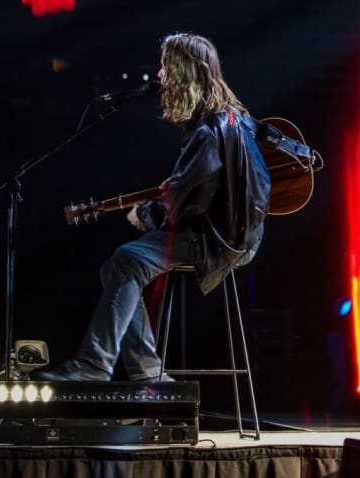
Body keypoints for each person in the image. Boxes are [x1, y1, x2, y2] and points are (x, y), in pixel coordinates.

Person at [34, 33, 271, 382]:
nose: (160, 75)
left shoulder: (210, 130)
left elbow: (186, 203)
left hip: (216, 239)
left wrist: (147, 214)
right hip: (236, 235)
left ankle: (94, 366)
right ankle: (147, 370)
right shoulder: (233, 119)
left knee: (126, 260)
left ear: (185, 72)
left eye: (165, 66)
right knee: (117, 266)